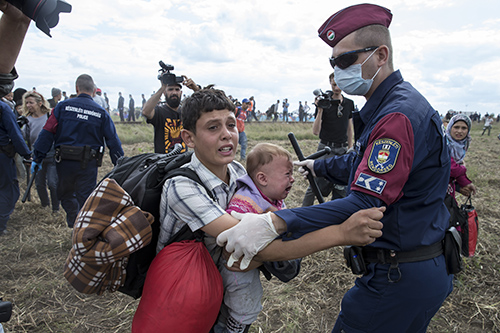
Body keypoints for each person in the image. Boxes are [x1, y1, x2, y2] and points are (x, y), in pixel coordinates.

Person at [217, 4, 453, 332]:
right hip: (417, 266)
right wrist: (321, 166)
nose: (338, 70)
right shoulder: (391, 106)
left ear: (381, 55)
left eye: (345, 60)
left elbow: (365, 203)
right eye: (333, 62)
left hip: (398, 274)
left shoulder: (396, 117)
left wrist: (278, 220)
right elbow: (362, 163)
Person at [156, 88, 383, 332]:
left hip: (222, 287)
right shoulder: (181, 187)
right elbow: (255, 244)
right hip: (186, 292)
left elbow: (262, 227)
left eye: (231, 125)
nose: (227, 135)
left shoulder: (237, 170)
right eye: (213, 128)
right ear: (189, 138)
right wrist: (341, 234)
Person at [215, 143, 300, 333]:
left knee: (239, 301)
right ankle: (235, 327)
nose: (292, 179)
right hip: (236, 268)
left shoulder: (269, 194)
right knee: (246, 302)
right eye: (287, 174)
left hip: (251, 262)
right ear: (262, 178)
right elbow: (233, 235)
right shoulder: (246, 201)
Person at [32, 74, 124, 228]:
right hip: (88, 164)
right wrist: (120, 163)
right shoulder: (101, 113)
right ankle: (83, 227)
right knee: (86, 198)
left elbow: (47, 132)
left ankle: (74, 223)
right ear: (94, 91)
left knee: (66, 194)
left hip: (65, 162)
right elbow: (113, 141)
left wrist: (37, 157)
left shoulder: (62, 107)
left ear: (76, 88)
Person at [0, 0, 32, 236]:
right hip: (3, 155)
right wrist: (27, 154)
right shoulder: (3, 108)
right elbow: (14, 133)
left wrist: (17, 20)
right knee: (8, 190)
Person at [302, 72, 355, 206]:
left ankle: (334, 215)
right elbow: (315, 131)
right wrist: (320, 110)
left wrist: (350, 148)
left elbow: (349, 128)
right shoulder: (325, 103)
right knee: (315, 184)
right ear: (330, 84)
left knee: (341, 186)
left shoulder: (349, 103)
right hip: (325, 149)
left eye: (339, 84)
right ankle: (302, 213)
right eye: (333, 84)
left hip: (342, 148)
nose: (336, 88)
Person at [21, 91, 59, 212]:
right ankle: (45, 206)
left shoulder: (50, 116)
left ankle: (56, 209)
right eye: (26, 103)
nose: (28, 105)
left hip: (51, 154)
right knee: (39, 184)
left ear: (40, 103)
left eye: (31, 102)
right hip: (36, 155)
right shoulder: (26, 120)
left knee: (52, 183)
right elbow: (22, 137)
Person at [142, 74, 199, 153]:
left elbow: (208, 107)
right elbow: (146, 111)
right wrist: (162, 88)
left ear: (181, 92)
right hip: (164, 162)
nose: (174, 92)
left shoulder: (186, 112)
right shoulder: (159, 112)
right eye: (170, 89)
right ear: (164, 93)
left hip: (183, 161)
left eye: (177, 89)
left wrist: (196, 89)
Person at [446, 114, 477, 199]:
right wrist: (462, 168)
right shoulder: (443, 143)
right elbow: (450, 166)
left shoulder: (463, 146)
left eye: (464, 128)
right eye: (456, 127)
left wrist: (463, 184)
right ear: (450, 127)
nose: (459, 131)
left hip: (448, 187)